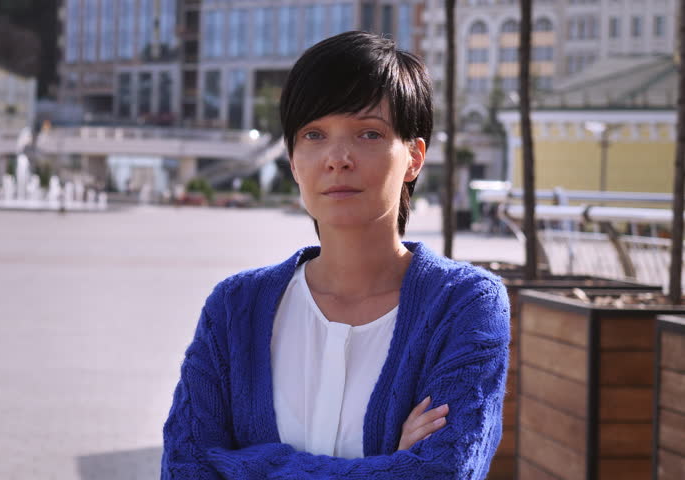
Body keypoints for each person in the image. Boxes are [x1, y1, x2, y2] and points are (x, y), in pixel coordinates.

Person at [161, 31, 510, 479]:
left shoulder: (464, 305)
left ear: (414, 158)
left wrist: (242, 465)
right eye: (314, 134)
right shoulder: (233, 308)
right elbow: (185, 468)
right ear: (291, 160)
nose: (337, 157)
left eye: (369, 133)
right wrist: (388, 467)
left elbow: (443, 472)